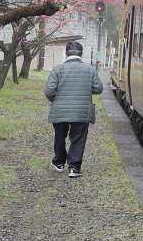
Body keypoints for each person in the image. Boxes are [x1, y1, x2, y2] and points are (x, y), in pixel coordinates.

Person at [44, 41, 103, 178]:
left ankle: (58, 162)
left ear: (66, 54)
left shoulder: (57, 69)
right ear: (82, 54)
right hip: (82, 110)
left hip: (60, 110)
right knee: (78, 138)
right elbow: (98, 89)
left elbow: (49, 90)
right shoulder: (90, 70)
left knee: (60, 136)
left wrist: (56, 101)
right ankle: (74, 168)